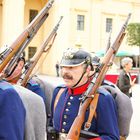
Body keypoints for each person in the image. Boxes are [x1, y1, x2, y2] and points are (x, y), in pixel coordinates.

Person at [49, 48, 120, 140]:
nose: (65, 72)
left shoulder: (102, 98)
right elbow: (51, 126)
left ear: (87, 69)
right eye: (63, 67)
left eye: (71, 67)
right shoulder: (59, 92)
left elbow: (112, 137)